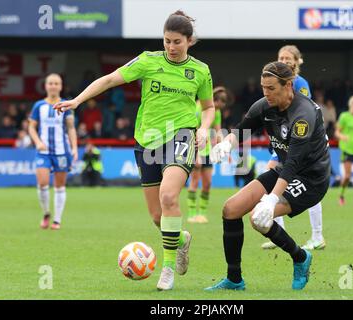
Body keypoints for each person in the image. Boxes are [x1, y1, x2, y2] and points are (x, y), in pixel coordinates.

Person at [53, 11, 215, 291]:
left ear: (189, 41)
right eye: (167, 41)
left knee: (168, 196)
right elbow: (108, 80)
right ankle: (181, 238)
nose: (171, 47)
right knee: (157, 217)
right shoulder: (148, 61)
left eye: (177, 42)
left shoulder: (200, 70)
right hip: (147, 140)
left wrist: (203, 129)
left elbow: (209, 107)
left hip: (182, 136)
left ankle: (166, 270)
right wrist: (77, 101)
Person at [205, 61, 331, 291]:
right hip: (286, 170)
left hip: (311, 179)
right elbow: (243, 128)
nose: (266, 93)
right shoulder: (264, 105)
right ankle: (234, 279)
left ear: (289, 85)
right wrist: (227, 144)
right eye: (263, 87)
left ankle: (300, 257)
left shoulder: (304, 115)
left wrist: (272, 199)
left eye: (271, 88)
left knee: (257, 218)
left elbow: (293, 162)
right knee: (231, 209)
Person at [261, 45, 325, 251]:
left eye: (288, 58)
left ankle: (317, 235)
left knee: (308, 186)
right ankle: (275, 232)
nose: (285, 60)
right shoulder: (274, 83)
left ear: (297, 62)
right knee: (270, 180)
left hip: (299, 141)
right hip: (283, 139)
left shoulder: (300, 84)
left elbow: (302, 111)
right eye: (281, 57)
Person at [28, 73, 78, 230]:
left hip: (62, 151)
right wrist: (37, 142)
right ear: (46, 86)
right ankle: (46, 213)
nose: (53, 86)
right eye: (51, 83)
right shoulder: (38, 106)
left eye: (56, 83)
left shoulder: (66, 105)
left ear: (61, 86)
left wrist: (74, 147)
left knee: (59, 186)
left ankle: (57, 220)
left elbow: (70, 128)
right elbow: (31, 127)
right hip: (43, 151)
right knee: (42, 183)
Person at [187, 86, 227, 224]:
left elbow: (217, 131)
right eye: (218, 105)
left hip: (207, 151)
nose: (218, 109)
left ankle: (202, 214)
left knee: (207, 183)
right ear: (214, 100)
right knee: (194, 181)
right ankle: (192, 214)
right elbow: (193, 130)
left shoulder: (216, 111)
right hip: (195, 148)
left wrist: (222, 148)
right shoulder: (199, 108)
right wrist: (196, 154)